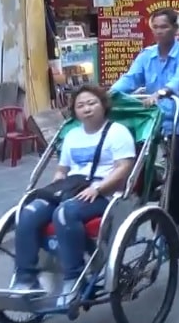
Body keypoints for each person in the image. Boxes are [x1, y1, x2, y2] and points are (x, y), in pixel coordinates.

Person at [12, 85, 136, 302]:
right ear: (75, 111)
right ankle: (25, 278)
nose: (86, 109)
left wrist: (97, 188)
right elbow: (62, 169)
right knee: (29, 211)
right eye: (81, 105)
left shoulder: (118, 132)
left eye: (91, 103)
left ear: (103, 105)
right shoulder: (72, 136)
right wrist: (56, 186)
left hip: (103, 194)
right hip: (71, 189)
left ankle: (73, 278)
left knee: (64, 213)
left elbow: (123, 167)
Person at [111, 7, 179, 244]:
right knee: (136, 162)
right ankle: (153, 193)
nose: (160, 32)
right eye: (156, 27)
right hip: (153, 121)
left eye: (164, 27)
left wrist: (162, 92)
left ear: (175, 29)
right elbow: (130, 79)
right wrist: (107, 96)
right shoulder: (146, 56)